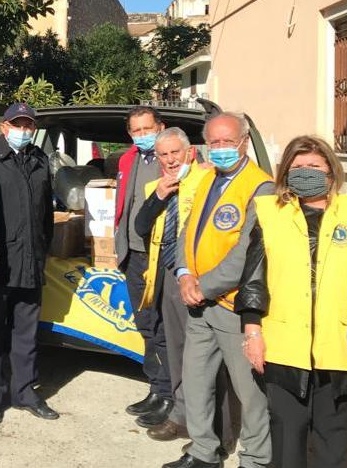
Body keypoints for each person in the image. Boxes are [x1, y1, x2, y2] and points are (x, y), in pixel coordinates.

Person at [236, 135, 347, 468]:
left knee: (333, 438)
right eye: (297, 166)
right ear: (285, 172)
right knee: (286, 435)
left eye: (314, 165)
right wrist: (252, 334)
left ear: (330, 169)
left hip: (339, 346)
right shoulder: (269, 213)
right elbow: (253, 280)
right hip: (284, 346)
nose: (305, 171)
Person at [163, 113, 273, 468]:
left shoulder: (261, 187)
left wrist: (204, 286)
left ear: (244, 142)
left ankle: (255, 460)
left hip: (231, 305)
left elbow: (248, 253)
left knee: (249, 393)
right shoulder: (209, 178)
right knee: (196, 383)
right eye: (214, 143)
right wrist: (183, 274)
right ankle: (203, 451)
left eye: (228, 142)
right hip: (198, 304)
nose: (221, 149)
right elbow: (188, 231)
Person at [0, 103, 58, 423]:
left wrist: (42, 249)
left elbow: (46, 216)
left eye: (29, 125)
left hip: (31, 262)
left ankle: (24, 391)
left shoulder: (39, 161)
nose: (24, 130)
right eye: (17, 124)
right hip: (0, 264)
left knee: (26, 331)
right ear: (4, 128)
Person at [134, 127, 208, 440]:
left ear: (189, 152)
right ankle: (181, 416)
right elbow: (140, 226)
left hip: (198, 279)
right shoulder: (158, 185)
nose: (169, 159)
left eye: (175, 152)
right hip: (165, 275)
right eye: (163, 155)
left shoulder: (207, 180)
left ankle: (207, 425)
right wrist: (159, 195)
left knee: (201, 357)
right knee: (175, 350)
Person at [115, 106, 173, 428]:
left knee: (164, 328)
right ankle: (155, 387)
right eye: (136, 131)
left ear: (160, 126)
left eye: (147, 129)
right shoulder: (128, 160)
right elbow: (123, 203)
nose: (142, 136)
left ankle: (169, 394)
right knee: (146, 326)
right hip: (134, 255)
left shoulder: (174, 159)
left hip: (161, 258)